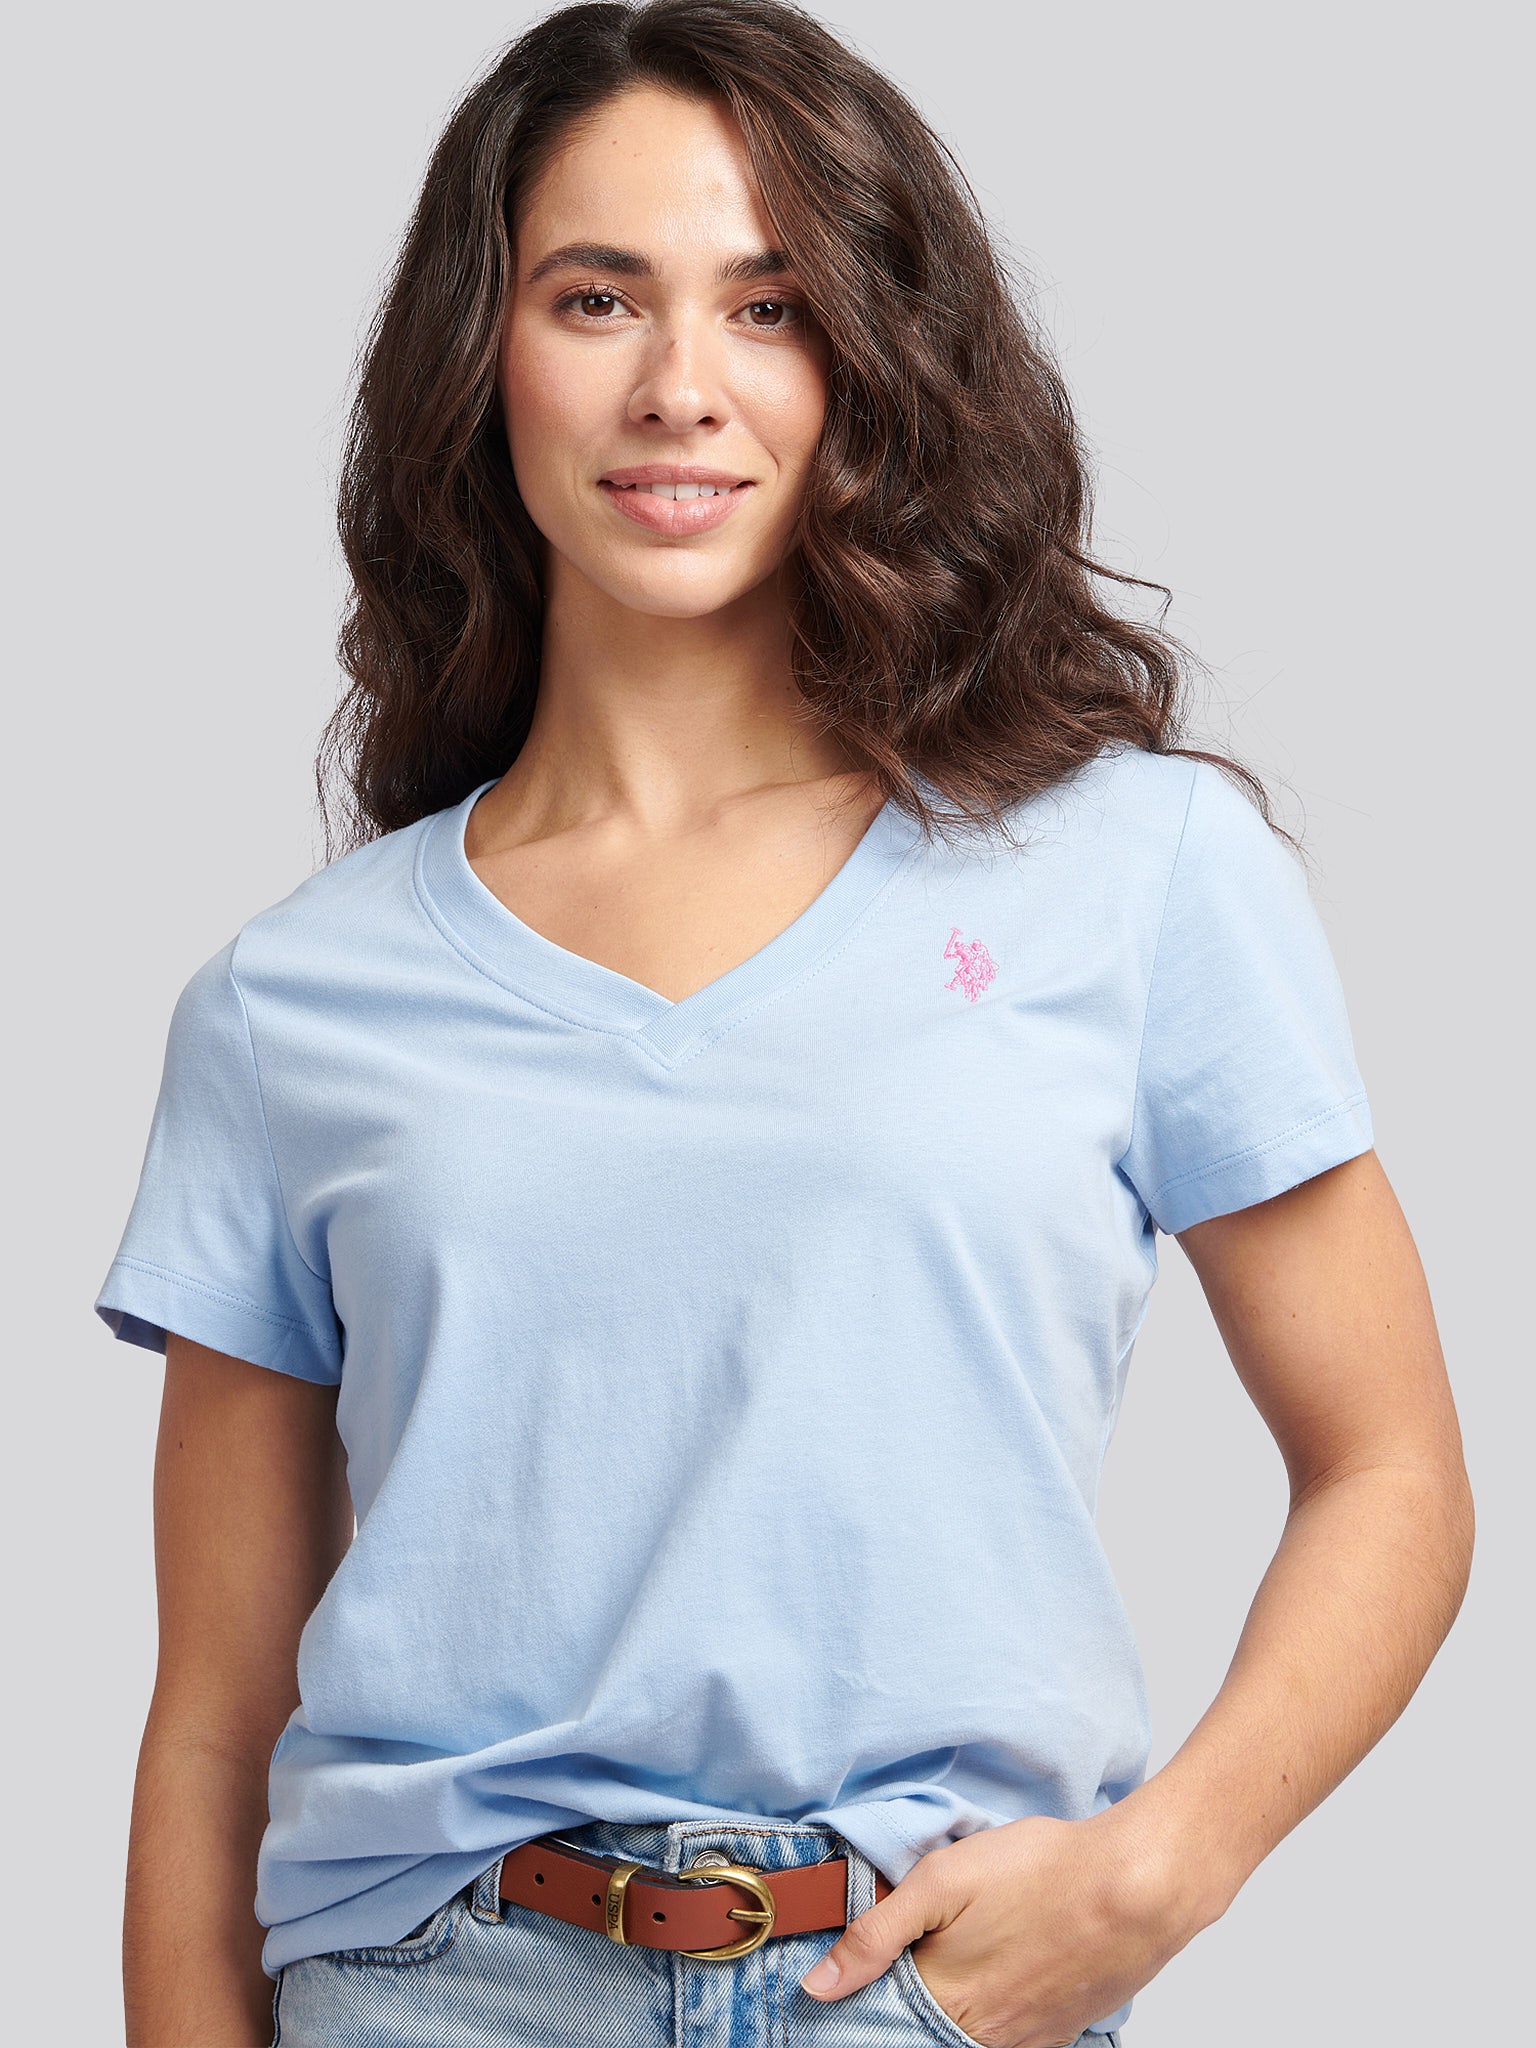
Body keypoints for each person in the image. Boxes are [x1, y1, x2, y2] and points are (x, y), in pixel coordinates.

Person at [94, 4, 1473, 2045]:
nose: (680, 386)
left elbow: (1395, 1468)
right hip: (431, 1993)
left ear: (871, 359)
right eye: (595, 298)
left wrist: (1157, 1874)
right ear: (481, 355)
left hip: (931, 1988)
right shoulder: (292, 1001)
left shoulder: (1139, 872)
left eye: (770, 305)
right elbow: (215, 1723)